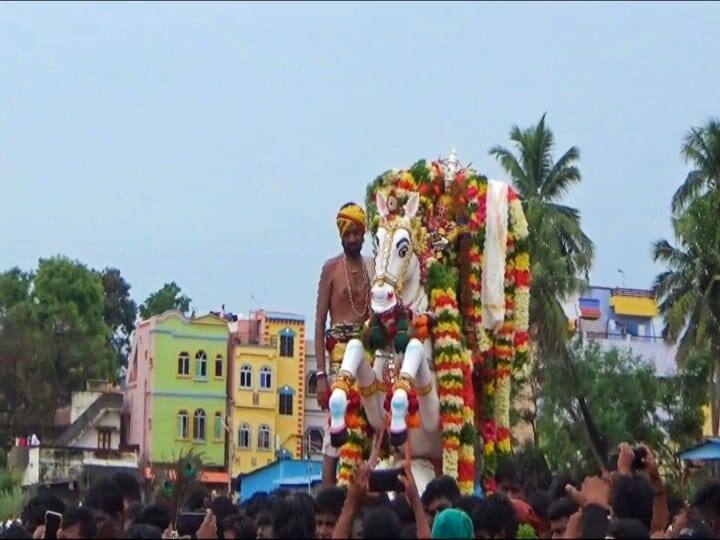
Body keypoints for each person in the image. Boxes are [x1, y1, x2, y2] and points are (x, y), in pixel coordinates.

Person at [315, 202, 372, 485]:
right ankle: (326, 499)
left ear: (364, 234)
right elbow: (318, 323)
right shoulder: (331, 269)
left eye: (357, 233)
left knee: (369, 425)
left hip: (368, 359)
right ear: (341, 236)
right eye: (347, 234)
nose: (352, 239)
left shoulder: (373, 267)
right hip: (338, 360)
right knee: (334, 432)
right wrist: (321, 376)